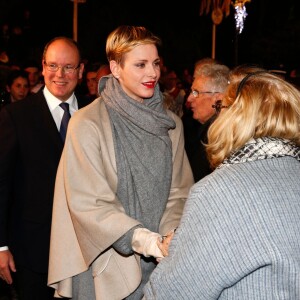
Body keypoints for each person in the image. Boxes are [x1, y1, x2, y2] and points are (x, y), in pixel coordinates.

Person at [48, 25, 194, 300]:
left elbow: (180, 192)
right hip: (105, 263)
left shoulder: (171, 125)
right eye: (140, 65)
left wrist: (170, 235)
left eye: (155, 63)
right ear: (115, 68)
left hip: (161, 266)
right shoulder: (87, 124)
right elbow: (89, 202)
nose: (152, 73)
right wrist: (144, 240)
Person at [143, 65, 300, 299]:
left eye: (221, 107)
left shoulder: (220, 191)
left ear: (236, 118)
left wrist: (176, 253)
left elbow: (173, 292)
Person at [0, 36, 91, 300]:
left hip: (86, 250)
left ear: (81, 71)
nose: (59, 74)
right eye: (52, 65)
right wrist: (1, 245)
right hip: (32, 253)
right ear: (42, 67)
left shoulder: (95, 112)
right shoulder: (16, 116)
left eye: (68, 67)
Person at [184, 63, 230, 182]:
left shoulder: (220, 140)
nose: (189, 98)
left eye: (196, 93)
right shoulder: (208, 132)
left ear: (218, 99)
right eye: (191, 92)